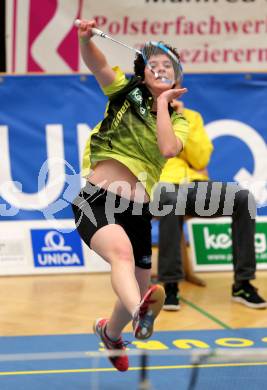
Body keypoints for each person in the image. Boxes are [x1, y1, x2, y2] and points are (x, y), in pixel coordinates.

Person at [71, 19, 189, 372]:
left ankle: (111, 332)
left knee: (135, 285)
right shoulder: (124, 91)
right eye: (155, 63)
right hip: (97, 200)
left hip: (138, 212)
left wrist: (165, 104)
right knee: (122, 256)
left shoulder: (179, 120)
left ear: (177, 78)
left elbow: (168, 148)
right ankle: (141, 313)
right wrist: (85, 38)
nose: (162, 68)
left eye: (169, 66)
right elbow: (98, 63)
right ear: (143, 71)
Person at [157, 100, 267, 311]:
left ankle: (243, 284)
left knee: (244, 199)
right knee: (170, 199)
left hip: (195, 187)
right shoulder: (143, 115)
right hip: (159, 184)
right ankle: (170, 286)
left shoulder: (192, 116)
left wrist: (180, 119)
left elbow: (200, 159)